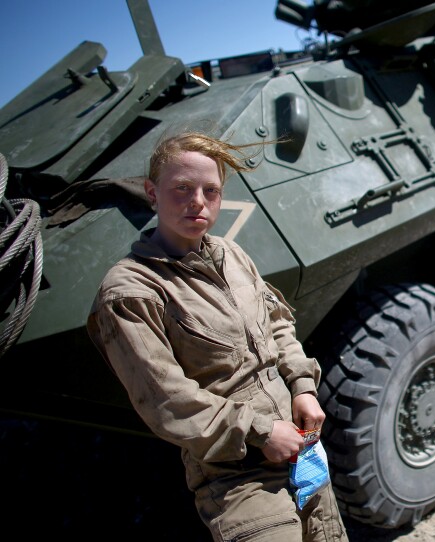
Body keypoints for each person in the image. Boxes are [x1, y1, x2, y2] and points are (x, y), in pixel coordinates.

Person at [87, 131, 349, 542]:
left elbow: (277, 322)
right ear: (152, 193)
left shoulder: (232, 254)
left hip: (301, 450)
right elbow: (166, 400)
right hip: (237, 474)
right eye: (182, 189)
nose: (198, 202)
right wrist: (261, 431)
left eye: (211, 190)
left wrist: (302, 386)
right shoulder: (131, 291)